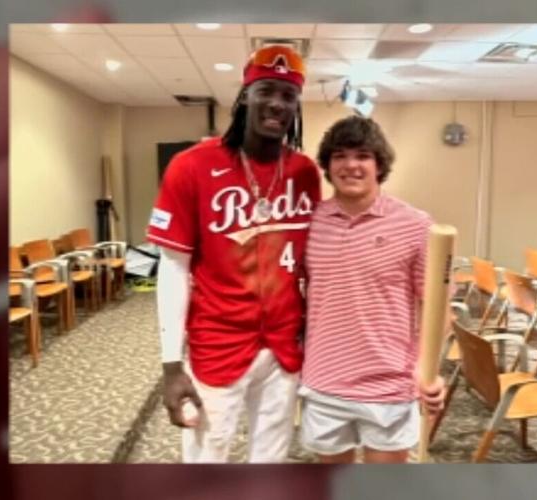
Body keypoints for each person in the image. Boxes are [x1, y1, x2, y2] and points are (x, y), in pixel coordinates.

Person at [147, 45, 321, 463]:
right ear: (245, 96)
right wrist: (171, 366)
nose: (277, 103)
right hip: (218, 341)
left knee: (272, 457)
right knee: (208, 456)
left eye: (288, 94)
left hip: (283, 344)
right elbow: (172, 268)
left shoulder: (304, 172)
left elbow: (311, 264)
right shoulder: (191, 166)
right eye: (266, 90)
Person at [299, 115, 446, 463]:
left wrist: (429, 371)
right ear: (327, 165)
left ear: (379, 164)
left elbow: (438, 309)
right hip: (324, 382)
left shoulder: (415, 225)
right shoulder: (310, 222)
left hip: (389, 386)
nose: (350, 165)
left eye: (362, 155)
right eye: (339, 155)